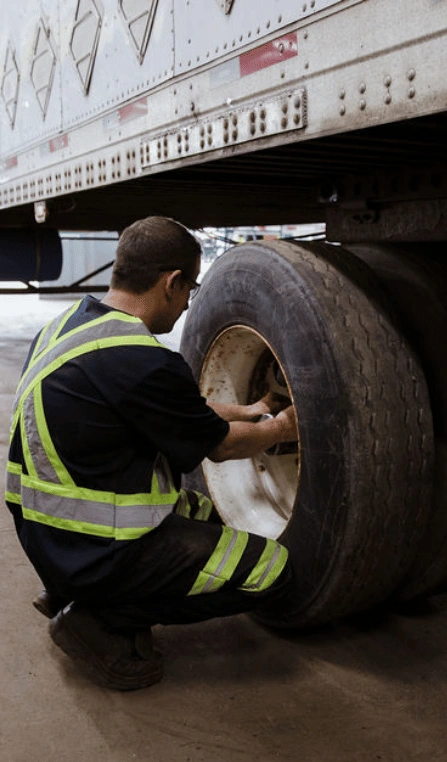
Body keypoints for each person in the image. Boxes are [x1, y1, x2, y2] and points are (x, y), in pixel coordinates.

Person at [5, 216, 298, 691]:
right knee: (274, 570)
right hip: (95, 551)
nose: (186, 307)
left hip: (47, 534)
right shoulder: (143, 359)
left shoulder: (67, 329)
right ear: (172, 282)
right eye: (189, 292)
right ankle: (99, 615)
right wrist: (282, 426)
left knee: (213, 517)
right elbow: (220, 446)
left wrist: (252, 409)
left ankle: (69, 587)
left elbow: (179, 408)